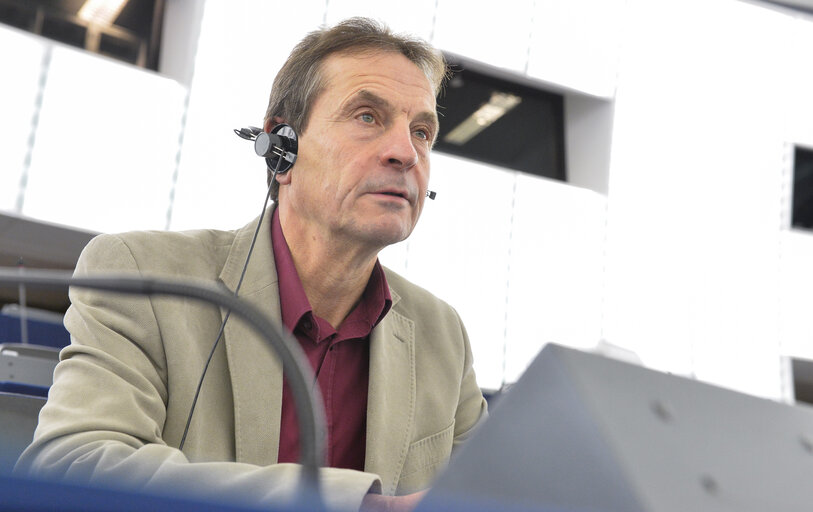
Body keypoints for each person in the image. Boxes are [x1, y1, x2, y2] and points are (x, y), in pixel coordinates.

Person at [15, 17, 487, 512]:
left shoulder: (443, 336)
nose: (406, 153)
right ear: (281, 147)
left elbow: (490, 497)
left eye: (422, 131)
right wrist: (365, 506)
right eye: (367, 116)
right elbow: (71, 466)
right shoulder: (140, 276)